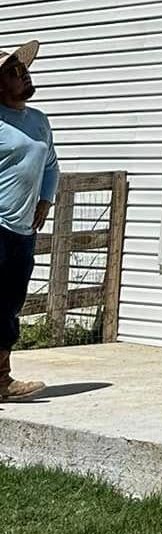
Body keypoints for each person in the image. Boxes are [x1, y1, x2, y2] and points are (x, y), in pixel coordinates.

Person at [0, 41, 56, 401]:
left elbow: (51, 165)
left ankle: (1, 379)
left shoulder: (38, 121)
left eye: (22, 68)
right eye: (12, 72)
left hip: (23, 230)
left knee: (9, 304)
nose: (23, 74)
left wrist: (46, 199)